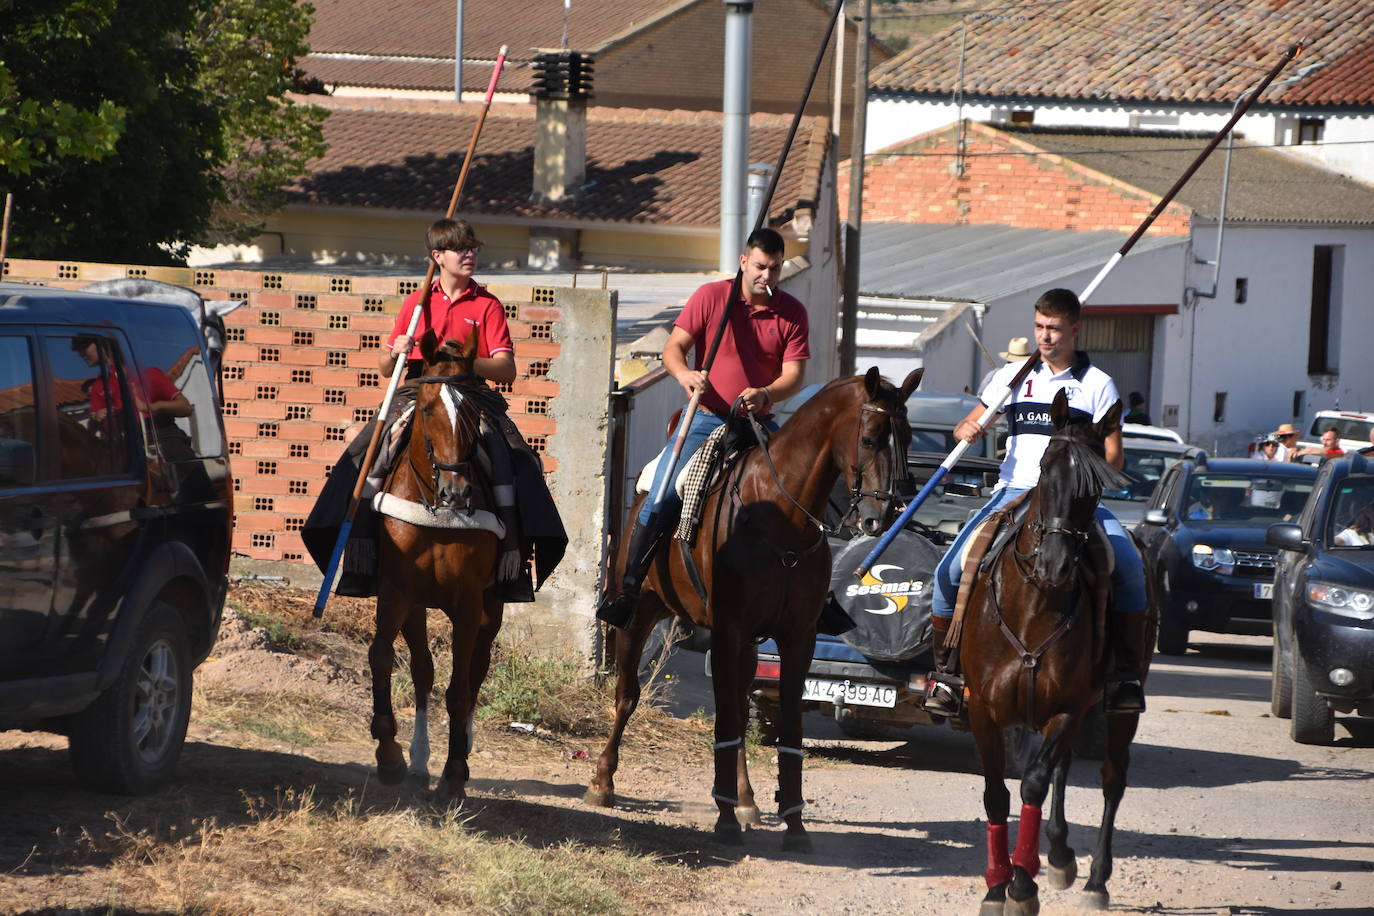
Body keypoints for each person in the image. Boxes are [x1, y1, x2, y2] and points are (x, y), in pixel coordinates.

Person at [304, 218, 561, 601]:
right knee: (365, 455)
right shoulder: (416, 302)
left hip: (471, 397)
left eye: (473, 248)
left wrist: (463, 363)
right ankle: (359, 558)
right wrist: (399, 350)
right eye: (461, 249)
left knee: (516, 460)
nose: (470, 255)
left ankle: (514, 563)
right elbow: (386, 367)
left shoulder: (486, 304)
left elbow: (506, 369)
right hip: (418, 394)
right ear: (438, 256)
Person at [924, 288, 1149, 716]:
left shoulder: (1098, 385)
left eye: (1055, 329)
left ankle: (1124, 676)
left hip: (1074, 500)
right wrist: (966, 430)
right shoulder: (1012, 377)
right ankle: (947, 675)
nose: (1046, 337)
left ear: (1075, 330)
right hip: (1012, 493)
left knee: (1131, 568)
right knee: (948, 572)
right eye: (1040, 327)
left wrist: (1087, 458)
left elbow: (1116, 454)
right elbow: (968, 423)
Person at [597, 228, 810, 627]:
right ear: (744, 262)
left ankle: (814, 593)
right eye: (761, 267)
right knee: (662, 492)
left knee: (803, 493)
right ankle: (626, 588)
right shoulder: (713, 297)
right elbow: (673, 348)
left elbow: (795, 375)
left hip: (758, 420)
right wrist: (685, 375)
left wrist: (766, 393)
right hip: (707, 418)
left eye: (776, 269)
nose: (768, 276)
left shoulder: (792, 311)